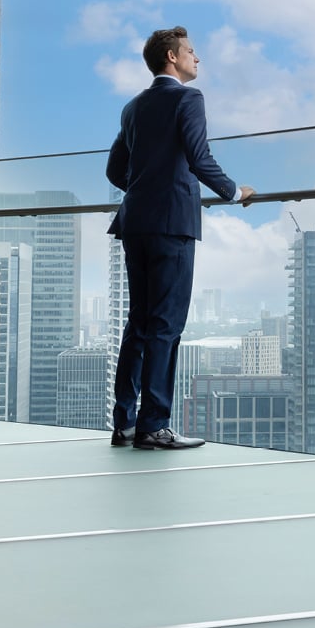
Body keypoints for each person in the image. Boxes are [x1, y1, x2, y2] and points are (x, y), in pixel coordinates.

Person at [106, 26, 254, 449]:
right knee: (166, 326)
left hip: (135, 222)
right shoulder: (189, 98)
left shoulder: (132, 107)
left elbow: (115, 171)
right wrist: (233, 191)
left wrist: (145, 185)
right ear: (172, 58)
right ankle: (154, 426)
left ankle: (126, 423)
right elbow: (198, 155)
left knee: (138, 323)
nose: (197, 58)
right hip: (172, 222)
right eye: (191, 51)